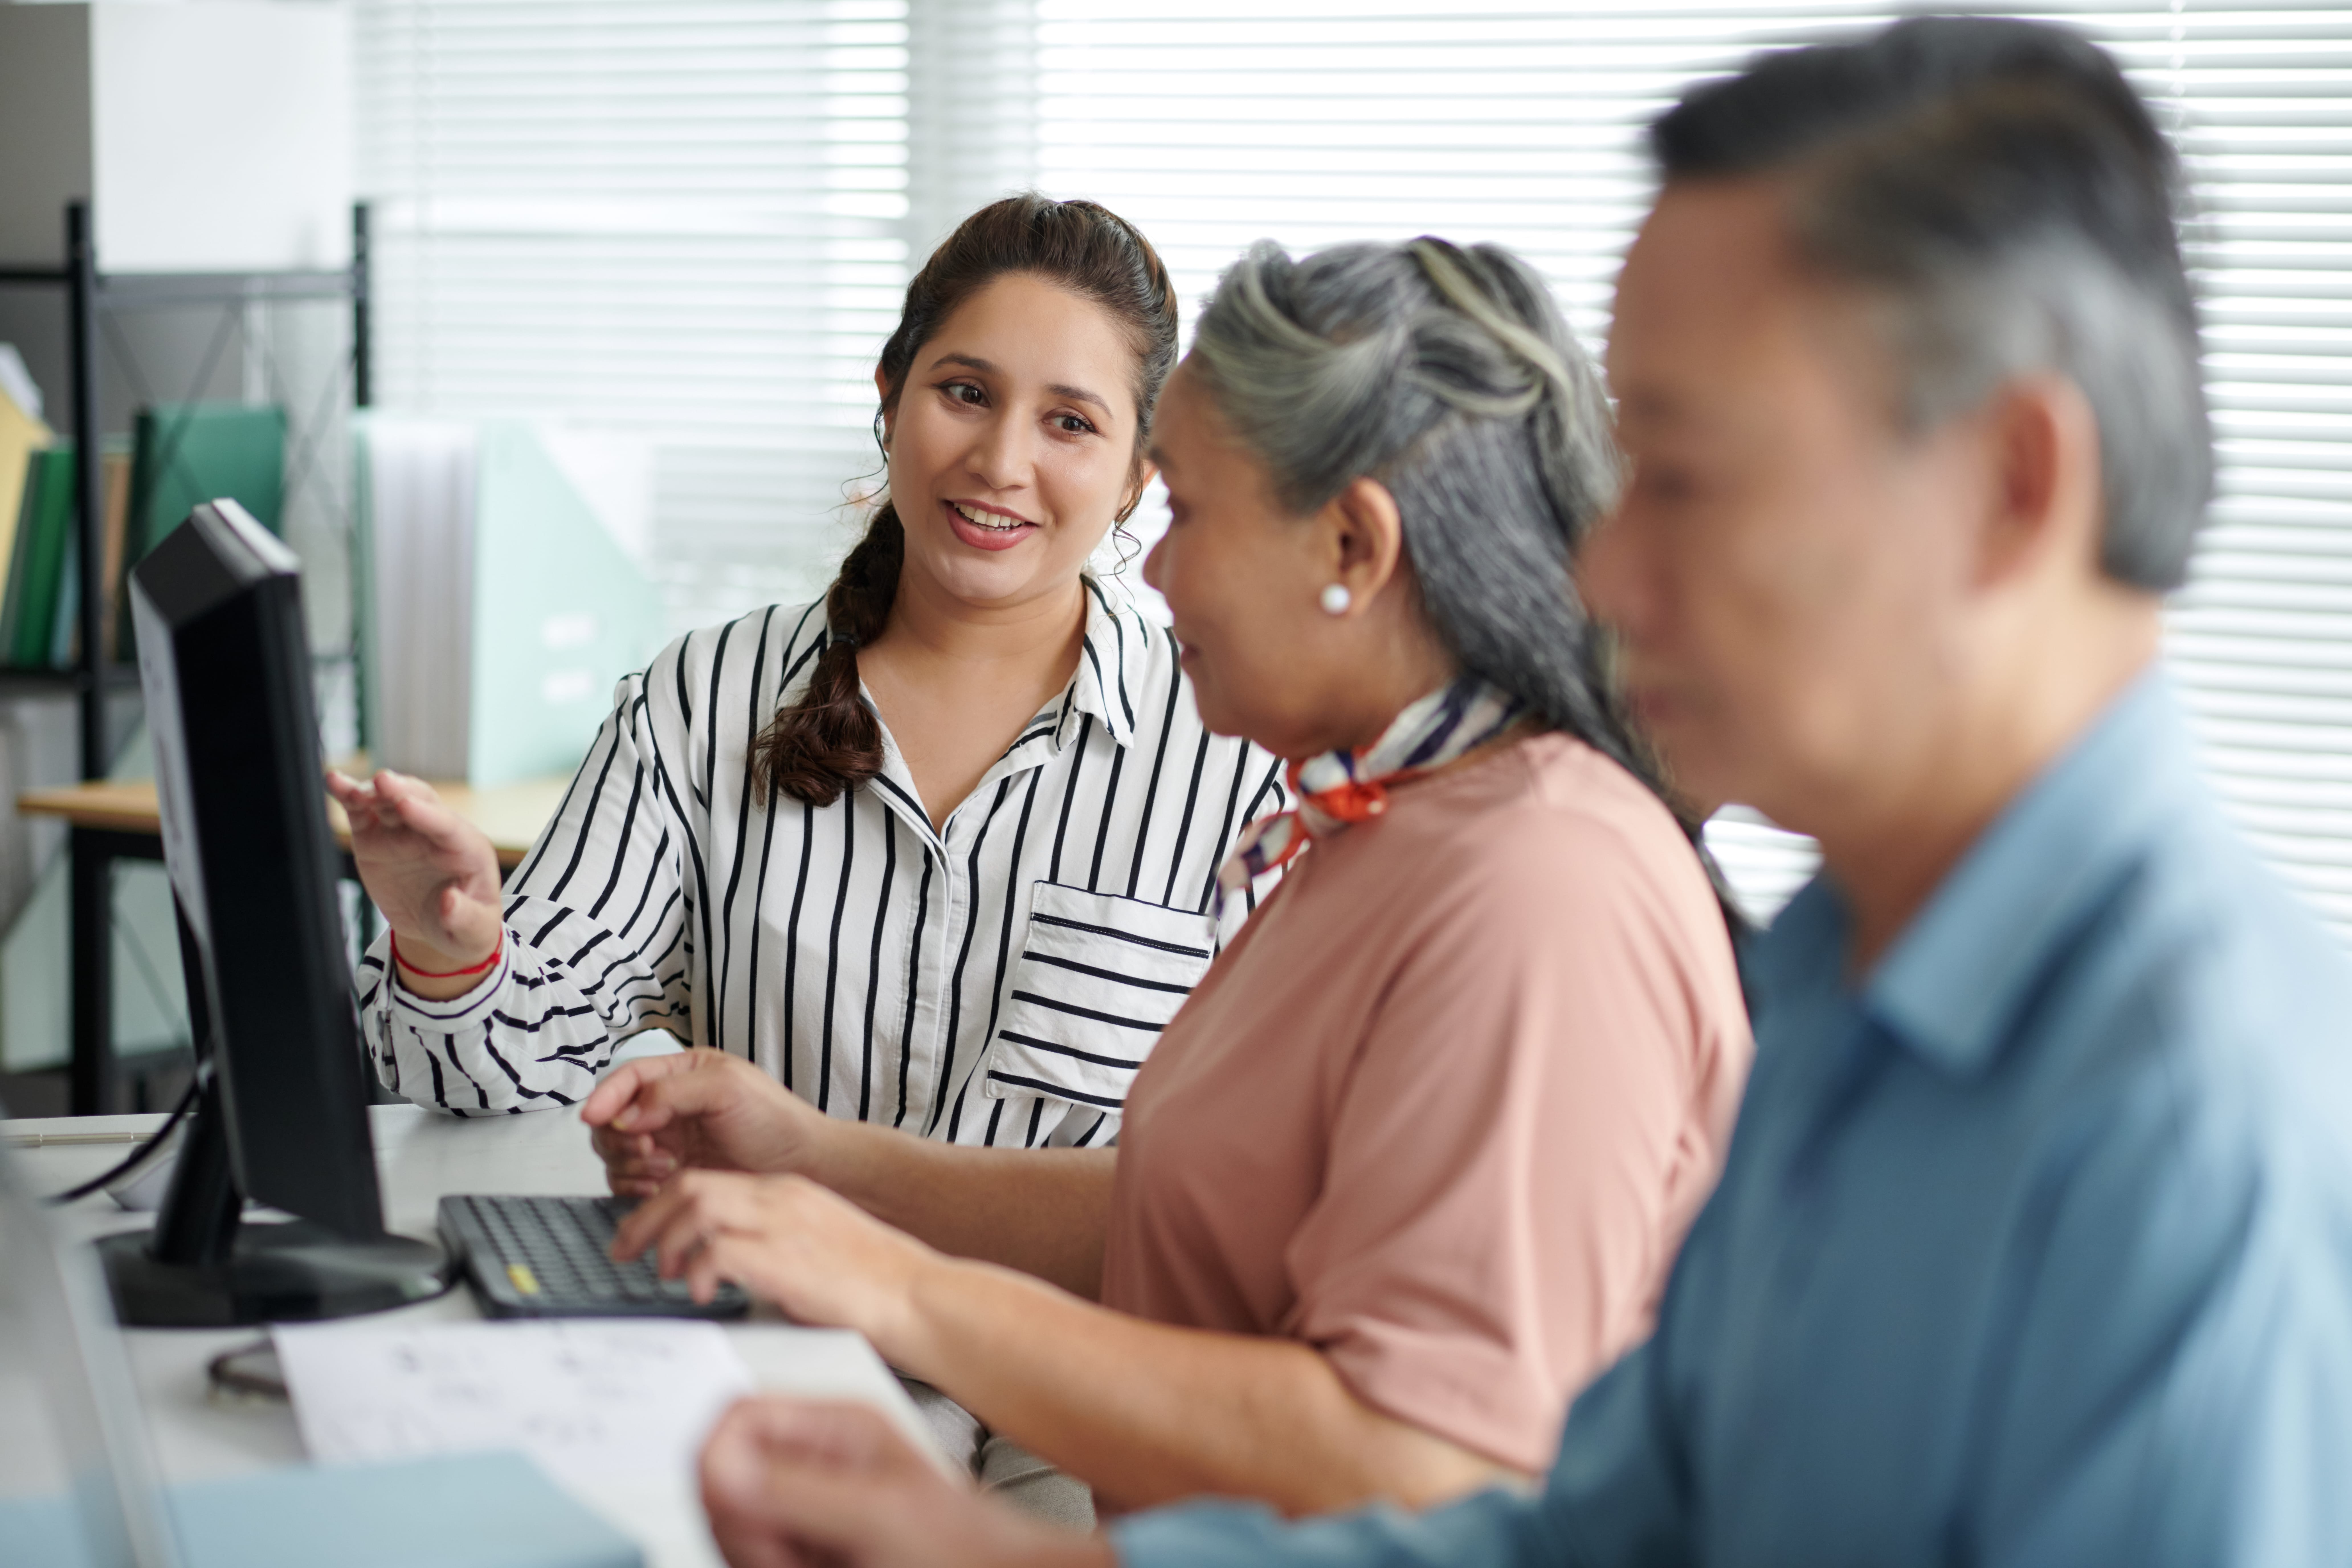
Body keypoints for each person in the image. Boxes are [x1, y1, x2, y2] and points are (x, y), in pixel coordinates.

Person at [677, 17, 2352, 1568]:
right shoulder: (1842, 983)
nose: (1604, 562)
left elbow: (1437, 1457)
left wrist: (909, 1298)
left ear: (2009, 486)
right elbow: (1576, 1533)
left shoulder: (2197, 1114)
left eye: (1681, 473)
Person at [586, 236, 1752, 1525]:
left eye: (1187, 513)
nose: (1152, 569)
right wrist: (817, 1158)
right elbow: (1190, 1217)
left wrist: (905, 1297)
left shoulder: (1541, 885)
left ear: (1353, 547)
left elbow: (1428, 1463)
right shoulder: (1380, 826)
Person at [330, 194, 1286, 1151]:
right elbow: (504, 1066)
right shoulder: (704, 703)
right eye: (966, 393)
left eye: (1070, 423)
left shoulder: (1239, 757)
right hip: (757, 1298)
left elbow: (1258, 1172)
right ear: (889, 396)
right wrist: (453, 951)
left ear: (1136, 477)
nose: (1001, 461)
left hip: (1056, 1305)